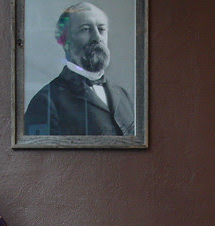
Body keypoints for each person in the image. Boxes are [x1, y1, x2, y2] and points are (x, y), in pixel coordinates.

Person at [25, 1, 135, 136]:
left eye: (101, 29)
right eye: (85, 29)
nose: (97, 37)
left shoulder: (123, 95)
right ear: (65, 41)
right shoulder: (45, 102)